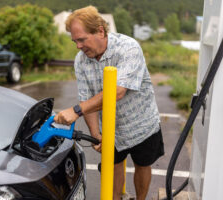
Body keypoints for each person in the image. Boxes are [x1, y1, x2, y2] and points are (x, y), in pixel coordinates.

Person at [54, 6, 164, 200]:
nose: (78, 46)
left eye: (82, 39)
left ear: (100, 31)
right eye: (75, 41)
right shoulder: (81, 61)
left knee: (143, 164)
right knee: (111, 165)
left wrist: (76, 111)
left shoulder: (128, 48)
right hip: (112, 128)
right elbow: (86, 98)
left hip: (142, 123)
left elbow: (118, 91)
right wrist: (96, 135)